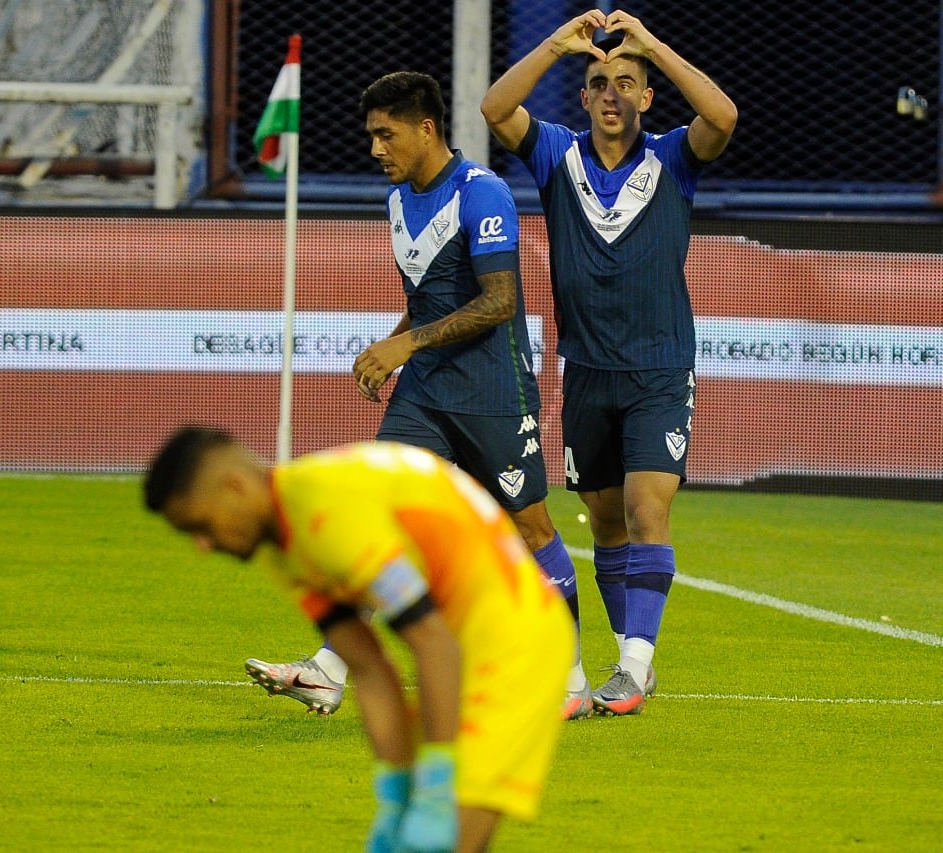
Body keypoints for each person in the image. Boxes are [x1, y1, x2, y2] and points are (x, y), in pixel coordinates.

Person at [246, 70, 593, 720]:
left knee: (529, 525)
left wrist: (404, 346)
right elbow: (427, 297)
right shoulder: (399, 199)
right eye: (372, 135)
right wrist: (393, 342)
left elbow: (499, 301)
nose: (376, 148)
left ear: (426, 128)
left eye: (386, 134)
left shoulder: (482, 193)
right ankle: (328, 668)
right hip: (427, 391)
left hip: (494, 388)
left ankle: (570, 680)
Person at [145, 428, 574, 853]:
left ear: (234, 487)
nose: (202, 546)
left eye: (199, 526)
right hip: (462, 639)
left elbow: (432, 643)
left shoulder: (324, 511)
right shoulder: (282, 545)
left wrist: (435, 787)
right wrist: (396, 792)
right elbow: (368, 669)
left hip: (516, 637)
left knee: (451, 841)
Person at [481, 10, 737, 716]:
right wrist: (555, 47)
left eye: (627, 82)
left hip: (660, 367)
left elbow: (723, 114)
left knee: (645, 506)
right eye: (599, 83)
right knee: (603, 521)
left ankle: (631, 665)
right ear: (586, 97)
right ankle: (633, 657)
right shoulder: (556, 155)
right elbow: (496, 108)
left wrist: (653, 44)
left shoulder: (674, 158)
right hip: (585, 370)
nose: (613, 93)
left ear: (647, 97)